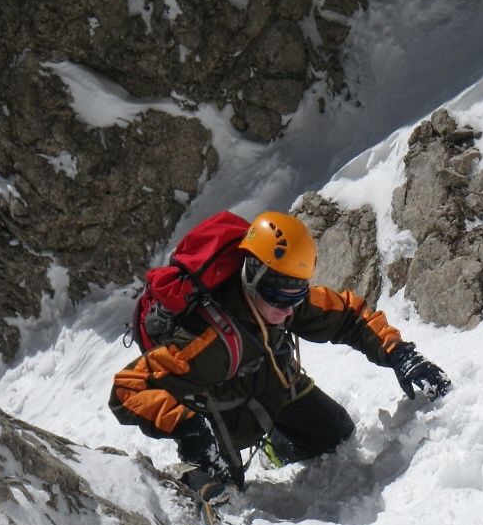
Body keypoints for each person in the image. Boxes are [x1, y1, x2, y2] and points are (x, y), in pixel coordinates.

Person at [109, 211, 450, 502]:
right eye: (277, 297)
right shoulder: (208, 340)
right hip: (220, 411)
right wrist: (187, 428)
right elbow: (128, 388)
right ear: (252, 278)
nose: (287, 310)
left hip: (273, 382)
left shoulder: (283, 297)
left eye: (296, 295)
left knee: (336, 433)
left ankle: (276, 442)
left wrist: (401, 354)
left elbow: (349, 314)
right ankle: (194, 469)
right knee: (225, 486)